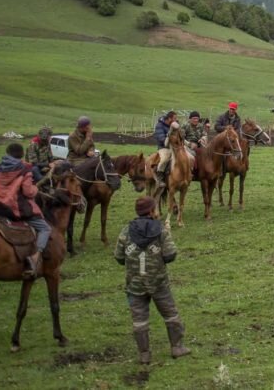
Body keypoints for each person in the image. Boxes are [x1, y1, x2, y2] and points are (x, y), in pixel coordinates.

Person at [114, 196, 191, 364]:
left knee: (139, 320)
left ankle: (144, 354)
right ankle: (177, 347)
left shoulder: (126, 231)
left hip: (135, 284)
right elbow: (170, 254)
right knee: (170, 315)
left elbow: (119, 257)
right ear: (151, 211)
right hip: (159, 283)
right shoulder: (161, 230)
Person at [0, 143, 52, 278]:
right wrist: (36, 189)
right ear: (21, 154)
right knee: (45, 228)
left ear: (7, 153)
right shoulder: (24, 170)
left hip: (0, 207)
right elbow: (28, 192)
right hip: (17, 208)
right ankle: (36, 256)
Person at [153, 112, 179, 190]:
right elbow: (161, 139)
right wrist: (169, 136)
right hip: (164, 147)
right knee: (164, 159)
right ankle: (159, 177)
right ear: (169, 119)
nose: (176, 120)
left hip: (175, 147)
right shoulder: (159, 126)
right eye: (174, 118)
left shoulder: (176, 125)